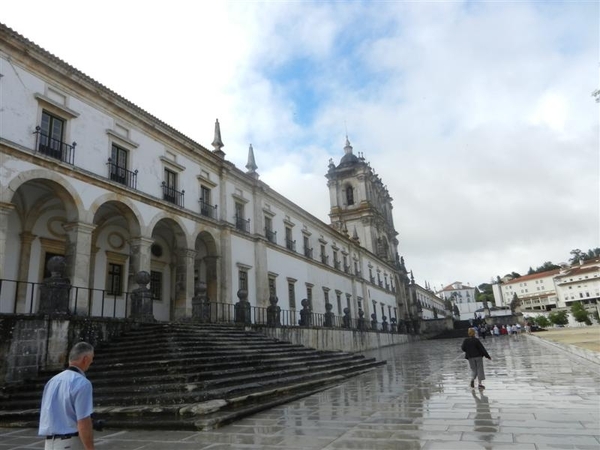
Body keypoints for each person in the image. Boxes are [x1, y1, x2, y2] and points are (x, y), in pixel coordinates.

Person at [39, 342, 95, 450]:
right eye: (91, 358)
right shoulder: (82, 383)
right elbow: (83, 421)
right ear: (85, 359)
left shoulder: (52, 381)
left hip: (50, 443)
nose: (91, 362)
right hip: (69, 443)